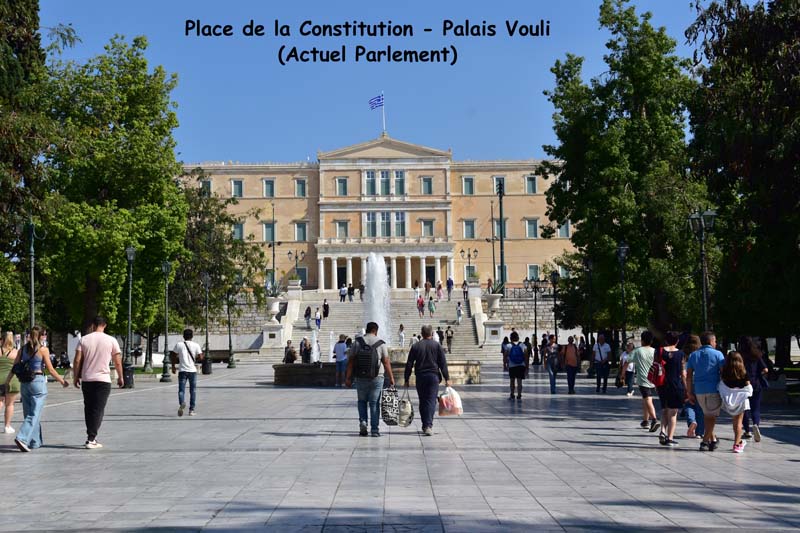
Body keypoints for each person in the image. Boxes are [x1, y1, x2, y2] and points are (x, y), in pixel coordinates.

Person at [3, 326, 68, 452]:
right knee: (34, 413)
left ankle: (34, 442)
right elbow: (50, 369)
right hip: (37, 381)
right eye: (44, 334)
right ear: (40, 336)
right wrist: (62, 381)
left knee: (29, 413)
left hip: (24, 383)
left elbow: (15, 367)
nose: (45, 336)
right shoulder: (43, 350)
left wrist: (8, 380)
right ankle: (22, 438)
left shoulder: (22, 349)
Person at [73, 316, 123, 450]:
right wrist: (120, 377)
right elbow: (117, 361)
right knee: (98, 409)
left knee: (89, 408)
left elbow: (77, 360)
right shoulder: (111, 340)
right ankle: (91, 438)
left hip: (87, 379)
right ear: (105, 325)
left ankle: (91, 436)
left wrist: (76, 377)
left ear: (92, 325)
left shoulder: (84, 339)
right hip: (103, 380)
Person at [345, 322, 395, 437]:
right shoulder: (381, 343)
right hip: (377, 377)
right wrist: (391, 377)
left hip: (360, 377)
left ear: (367, 330)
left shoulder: (357, 342)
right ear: (375, 331)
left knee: (362, 401)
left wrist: (348, 378)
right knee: (374, 403)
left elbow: (351, 362)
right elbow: (386, 362)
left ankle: (363, 422)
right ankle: (374, 430)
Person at [404, 325, 451, 436]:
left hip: (420, 377)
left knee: (423, 400)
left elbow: (409, 363)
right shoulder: (437, 345)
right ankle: (428, 425)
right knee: (431, 400)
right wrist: (447, 378)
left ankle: (425, 424)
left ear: (422, 333)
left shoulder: (416, 346)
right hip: (433, 377)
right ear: (431, 333)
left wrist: (406, 378)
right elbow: (443, 363)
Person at [686, 331, 726, 452]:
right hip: (713, 389)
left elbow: (688, 376)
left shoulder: (693, 355)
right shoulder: (718, 354)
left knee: (707, 415)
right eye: (715, 341)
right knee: (711, 417)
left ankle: (713, 440)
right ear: (711, 341)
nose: (716, 343)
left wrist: (689, 392)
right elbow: (723, 373)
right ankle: (704, 442)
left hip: (699, 390)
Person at [719, 351, 753, 453]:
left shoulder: (725, 371)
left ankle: (738, 442)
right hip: (741, 399)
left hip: (729, 398)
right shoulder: (743, 372)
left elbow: (722, 383)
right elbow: (748, 385)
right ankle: (737, 443)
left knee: (734, 421)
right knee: (739, 422)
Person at [628, 330, 661, 434]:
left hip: (643, 379)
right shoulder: (655, 351)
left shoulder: (637, 351)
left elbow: (627, 361)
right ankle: (645, 420)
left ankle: (654, 419)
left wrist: (622, 374)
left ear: (642, 340)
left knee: (648, 399)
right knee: (645, 399)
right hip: (654, 379)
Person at [657, 331, 686, 447]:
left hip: (662, 384)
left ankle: (662, 431)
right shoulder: (681, 354)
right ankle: (670, 438)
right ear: (677, 341)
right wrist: (686, 388)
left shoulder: (659, 351)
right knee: (673, 413)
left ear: (666, 340)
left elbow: (656, 366)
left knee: (664, 409)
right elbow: (683, 373)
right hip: (675, 384)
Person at [739, 336, 767, 442]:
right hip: (756, 384)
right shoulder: (757, 355)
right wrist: (759, 374)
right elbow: (765, 369)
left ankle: (747, 431)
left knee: (744, 408)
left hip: (743, 385)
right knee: (756, 408)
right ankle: (756, 425)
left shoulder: (740, 356)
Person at [171, 329, 204, 417]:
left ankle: (182, 403)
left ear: (183, 336)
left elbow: (173, 355)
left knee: (181, 390)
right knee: (193, 390)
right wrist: (195, 358)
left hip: (182, 370)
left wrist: (173, 366)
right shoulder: (196, 345)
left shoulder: (179, 345)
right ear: (192, 336)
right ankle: (191, 410)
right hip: (192, 371)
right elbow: (201, 357)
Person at [680, 335, 704, 439]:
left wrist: (686, 387)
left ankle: (692, 421)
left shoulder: (683, 354)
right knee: (700, 408)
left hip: (686, 381)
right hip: (699, 382)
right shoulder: (700, 353)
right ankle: (699, 432)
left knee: (689, 404)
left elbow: (684, 373)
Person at [0, 332, 20, 433]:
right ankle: (7, 426)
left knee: (0, 402)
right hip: (12, 381)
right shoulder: (16, 352)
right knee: (10, 404)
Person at [503, 331, 529, 400]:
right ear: (518, 337)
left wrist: (505, 365)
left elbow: (505, 356)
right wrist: (527, 366)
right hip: (521, 365)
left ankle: (512, 394)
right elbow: (526, 356)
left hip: (512, 366)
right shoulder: (522, 345)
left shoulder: (508, 346)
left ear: (511, 338)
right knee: (519, 381)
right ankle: (519, 395)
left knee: (512, 381)